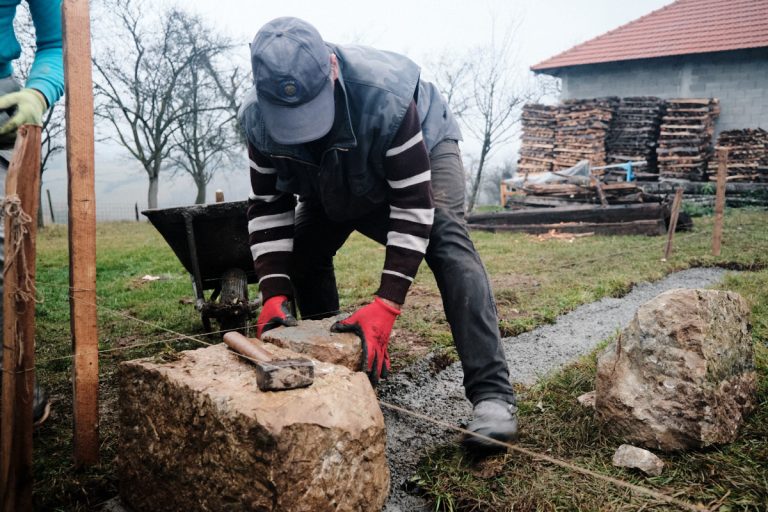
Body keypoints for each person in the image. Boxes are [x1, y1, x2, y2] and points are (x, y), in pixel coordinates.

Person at [239, 17, 517, 450]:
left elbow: (412, 205)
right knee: (304, 251)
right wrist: (273, 291)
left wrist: (386, 305)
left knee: (446, 240)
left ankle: (492, 396)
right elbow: (269, 204)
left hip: (420, 146)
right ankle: (333, 371)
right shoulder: (258, 121)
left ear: (332, 67)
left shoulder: (387, 101)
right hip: (331, 171)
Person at [0, 0, 65, 426]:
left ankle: (7, 381)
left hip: (1, 105)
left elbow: (57, 43)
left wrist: (38, 92)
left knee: (2, 251)